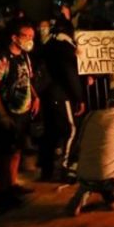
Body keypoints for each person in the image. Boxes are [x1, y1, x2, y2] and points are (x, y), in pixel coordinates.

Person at [0, 18, 40, 204]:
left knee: (16, 150)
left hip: (22, 112)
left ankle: (13, 184)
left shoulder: (24, 56)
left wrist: (35, 97)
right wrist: (2, 114)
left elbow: (27, 79)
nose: (30, 40)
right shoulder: (1, 58)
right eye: (26, 36)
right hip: (8, 112)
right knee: (4, 153)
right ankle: (4, 192)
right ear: (14, 37)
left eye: (32, 36)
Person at [66, 89, 114, 216]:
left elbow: (79, 142)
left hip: (82, 174)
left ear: (107, 102)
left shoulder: (90, 116)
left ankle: (79, 198)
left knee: (92, 156)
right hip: (106, 180)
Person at [38, 17, 85, 182]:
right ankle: (65, 168)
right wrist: (79, 97)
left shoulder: (48, 45)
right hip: (62, 94)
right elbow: (70, 75)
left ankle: (46, 169)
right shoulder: (65, 48)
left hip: (48, 94)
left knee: (50, 131)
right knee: (70, 129)